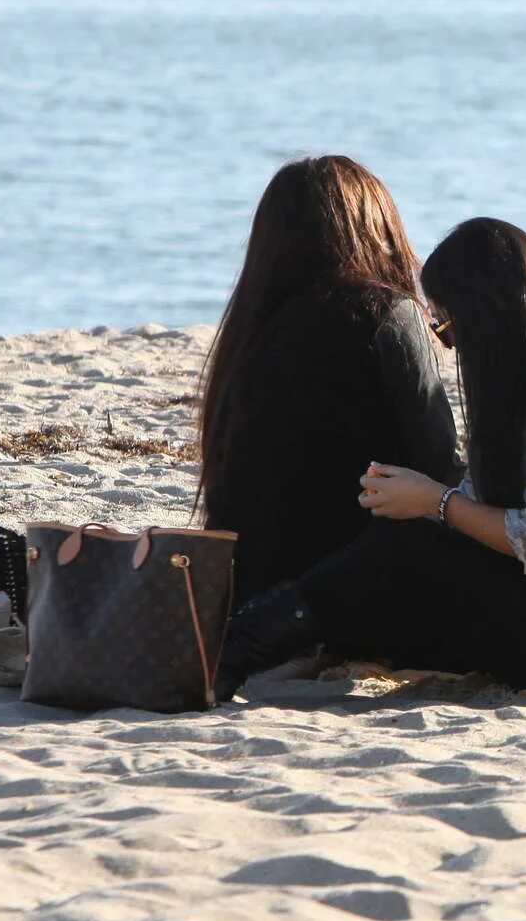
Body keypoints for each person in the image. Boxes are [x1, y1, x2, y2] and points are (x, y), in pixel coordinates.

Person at [213, 218, 526, 700]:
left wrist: (434, 501)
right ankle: (250, 641)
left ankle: (232, 648)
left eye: (446, 327)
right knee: (396, 568)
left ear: (485, 315)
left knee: (410, 546)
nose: (448, 346)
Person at [196, 156, 458, 604]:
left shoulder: (250, 326)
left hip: (245, 586)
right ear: (375, 228)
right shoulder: (386, 313)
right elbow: (438, 462)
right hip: (341, 587)